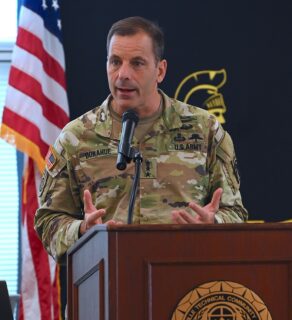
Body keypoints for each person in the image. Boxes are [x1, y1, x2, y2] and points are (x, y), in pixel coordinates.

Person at [34, 16, 248, 262]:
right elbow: (48, 222)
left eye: (137, 63)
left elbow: (236, 214)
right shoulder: (76, 137)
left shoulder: (205, 130)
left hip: (184, 285)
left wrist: (214, 223)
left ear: (160, 70)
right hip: (105, 284)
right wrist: (81, 231)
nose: (123, 74)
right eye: (115, 62)